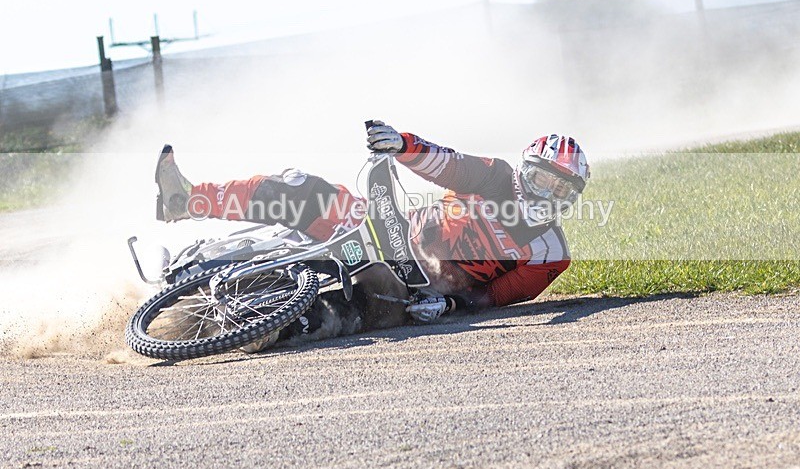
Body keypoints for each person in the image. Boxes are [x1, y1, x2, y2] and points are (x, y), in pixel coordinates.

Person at [155, 120, 590, 346]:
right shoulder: (494, 176)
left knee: (325, 320)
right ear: (523, 171)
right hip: (390, 231)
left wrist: (451, 302)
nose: (548, 193)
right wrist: (401, 143)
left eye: (561, 187)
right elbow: (446, 163)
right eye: (541, 180)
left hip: (410, 294)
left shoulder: (551, 253)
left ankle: (261, 326)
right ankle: (187, 199)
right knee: (300, 187)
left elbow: (497, 297)